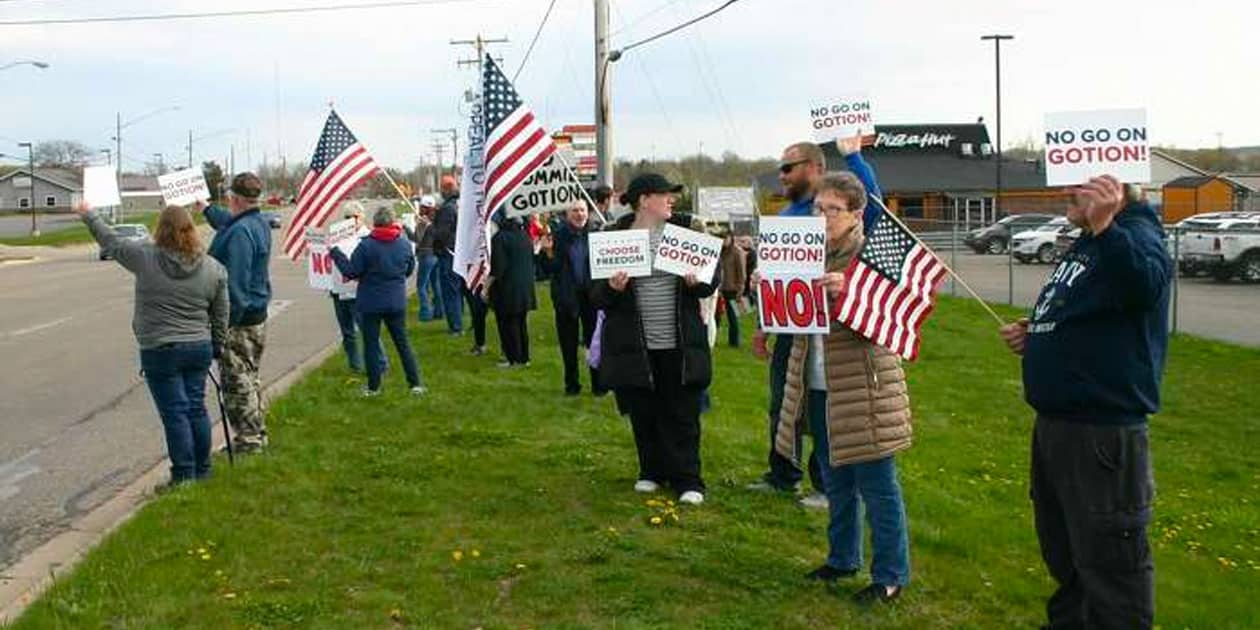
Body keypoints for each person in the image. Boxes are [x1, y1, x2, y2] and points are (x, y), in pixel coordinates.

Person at [999, 175, 1169, 629]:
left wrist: (1107, 226)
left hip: (1101, 435)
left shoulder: (1135, 234)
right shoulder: (1093, 241)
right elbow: (1090, 311)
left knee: (1112, 567)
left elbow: (1144, 287)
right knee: (1068, 555)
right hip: (1060, 427)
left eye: (1077, 186)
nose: (1064, 195)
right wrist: (1037, 331)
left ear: (1117, 189)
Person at [776, 171, 912, 603]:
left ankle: (890, 574)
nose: (822, 216)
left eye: (832, 209)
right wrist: (772, 291)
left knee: (878, 486)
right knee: (835, 481)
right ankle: (842, 558)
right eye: (818, 207)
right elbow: (796, 318)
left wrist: (851, 292)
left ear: (857, 214)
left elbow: (889, 322)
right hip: (818, 383)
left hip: (864, 388)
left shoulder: (874, 257)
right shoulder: (805, 253)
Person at [750, 135, 883, 509]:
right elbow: (778, 275)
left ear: (814, 168)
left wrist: (854, 155)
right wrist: (763, 323)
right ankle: (782, 474)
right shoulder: (790, 216)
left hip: (834, 333)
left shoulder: (840, 210)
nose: (782, 175)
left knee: (825, 411)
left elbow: (870, 200)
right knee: (784, 406)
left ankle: (827, 484)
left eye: (789, 168)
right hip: (793, 329)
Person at [78, 201, 228, 484]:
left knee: (175, 414)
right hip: (198, 346)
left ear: (161, 229)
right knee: (196, 407)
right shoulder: (214, 268)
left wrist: (89, 215)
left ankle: (184, 475)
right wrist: (217, 345)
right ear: (191, 229)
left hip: (160, 348)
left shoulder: (144, 257)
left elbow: (110, 240)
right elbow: (221, 313)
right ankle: (203, 469)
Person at [591, 173, 719, 506]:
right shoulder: (613, 236)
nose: (671, 200)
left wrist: (697, 282)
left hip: (680, 344)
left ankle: (688, 479)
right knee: (643, 411)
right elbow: (596, 296)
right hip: (635, 346)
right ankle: (651, 471)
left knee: (682, 414)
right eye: (665, 195)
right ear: (644, 199)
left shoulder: (687, 231)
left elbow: (710, 282)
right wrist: (612, 288)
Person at [197, 173, 271, 454]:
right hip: (256, 314)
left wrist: (222, 327)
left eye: (229, 197)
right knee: (249, 378)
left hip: (240, 319)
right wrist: (204, 207)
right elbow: (227, 223)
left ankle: (249, 441)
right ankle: (256, 433)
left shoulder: (241, 232)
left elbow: (236, 285)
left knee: (237, 382)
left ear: (235, 198)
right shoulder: (255, 222)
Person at [330, 206, 426, 396]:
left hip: (371, 301)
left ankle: (374, 387)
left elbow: (351, 271)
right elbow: (409, 269)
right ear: (392, 222)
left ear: (375, 223)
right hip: (396, 300)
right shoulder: (404, 244)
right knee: (403, 343)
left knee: (371, 345)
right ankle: (415, 383)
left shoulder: (366, 245)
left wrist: (336, 254)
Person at [539, 200, 605, 396]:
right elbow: (549, 269)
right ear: (567, 214)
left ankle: (599, 385)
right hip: (566, 298)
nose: (579, 214)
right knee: (568, 344)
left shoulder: (597, 234)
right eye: (575, 210)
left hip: (591, 296)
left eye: (582, 210)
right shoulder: (557, 236)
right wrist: (547, 252)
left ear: (588, 212)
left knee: (595, 342)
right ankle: (571, 385)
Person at [329, 205, 385, 374]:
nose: (351, 221)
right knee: (347, 332)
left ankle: (380, 364)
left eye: (354, 217)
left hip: (359, 292)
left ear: (362, 218)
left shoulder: (368, 238)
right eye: (347, 217)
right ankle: (355, 366)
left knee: (368, 330)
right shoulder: (337, 237)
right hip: (339, 290)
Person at [487, 213, 537, 367]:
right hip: (525, 287)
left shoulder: (500, 238)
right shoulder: (524, 236)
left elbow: (498, 268)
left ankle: (512, 358)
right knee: (521, 323)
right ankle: (524, 357)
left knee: (508, 325)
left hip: (506, 288)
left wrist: (486, 285)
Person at [431, 175, 463, 333]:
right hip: (459, 252)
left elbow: (442, 234)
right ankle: (459, 321)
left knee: (450, 291)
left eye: (441, 188)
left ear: (447, 188)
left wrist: (430, 228)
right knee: (458, 290)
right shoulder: (459, 204)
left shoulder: (447, 208)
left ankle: (455, 326)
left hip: (448, 253)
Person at [412, 194, 444, 322]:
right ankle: (439, 311)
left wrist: (405, 227)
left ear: (425, 208)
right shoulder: (436, 219)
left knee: (421, 286)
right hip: (435, 255)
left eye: (421, 206)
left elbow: (416, 239)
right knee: (436, 285)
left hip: (425, 255)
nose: (419, 208)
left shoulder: (423, 221)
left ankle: (426, 313)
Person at [718, 233, 747, 348]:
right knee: (718, 315)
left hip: (733, 289)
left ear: (731, 238)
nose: (724, 240)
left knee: (733, 316)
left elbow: (742, 273)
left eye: (725, 238)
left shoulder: (737, 252)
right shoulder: (721, 251)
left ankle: (734, 341)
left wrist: (740, 290)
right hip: (721, 288)